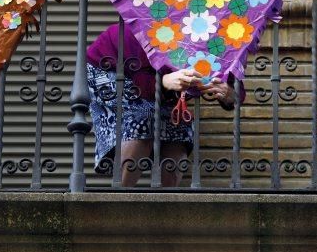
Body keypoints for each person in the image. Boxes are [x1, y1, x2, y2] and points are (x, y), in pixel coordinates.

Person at [86, 23, 241, 187]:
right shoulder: (145, 25)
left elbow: (233, 85)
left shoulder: (217, 37)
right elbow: (141, 80)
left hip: (153, 81)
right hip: (108, 68)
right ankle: (120, 197)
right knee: (143, 117)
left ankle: (166, 199)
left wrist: (228, 94)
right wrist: (165, 81)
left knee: (182, 127)